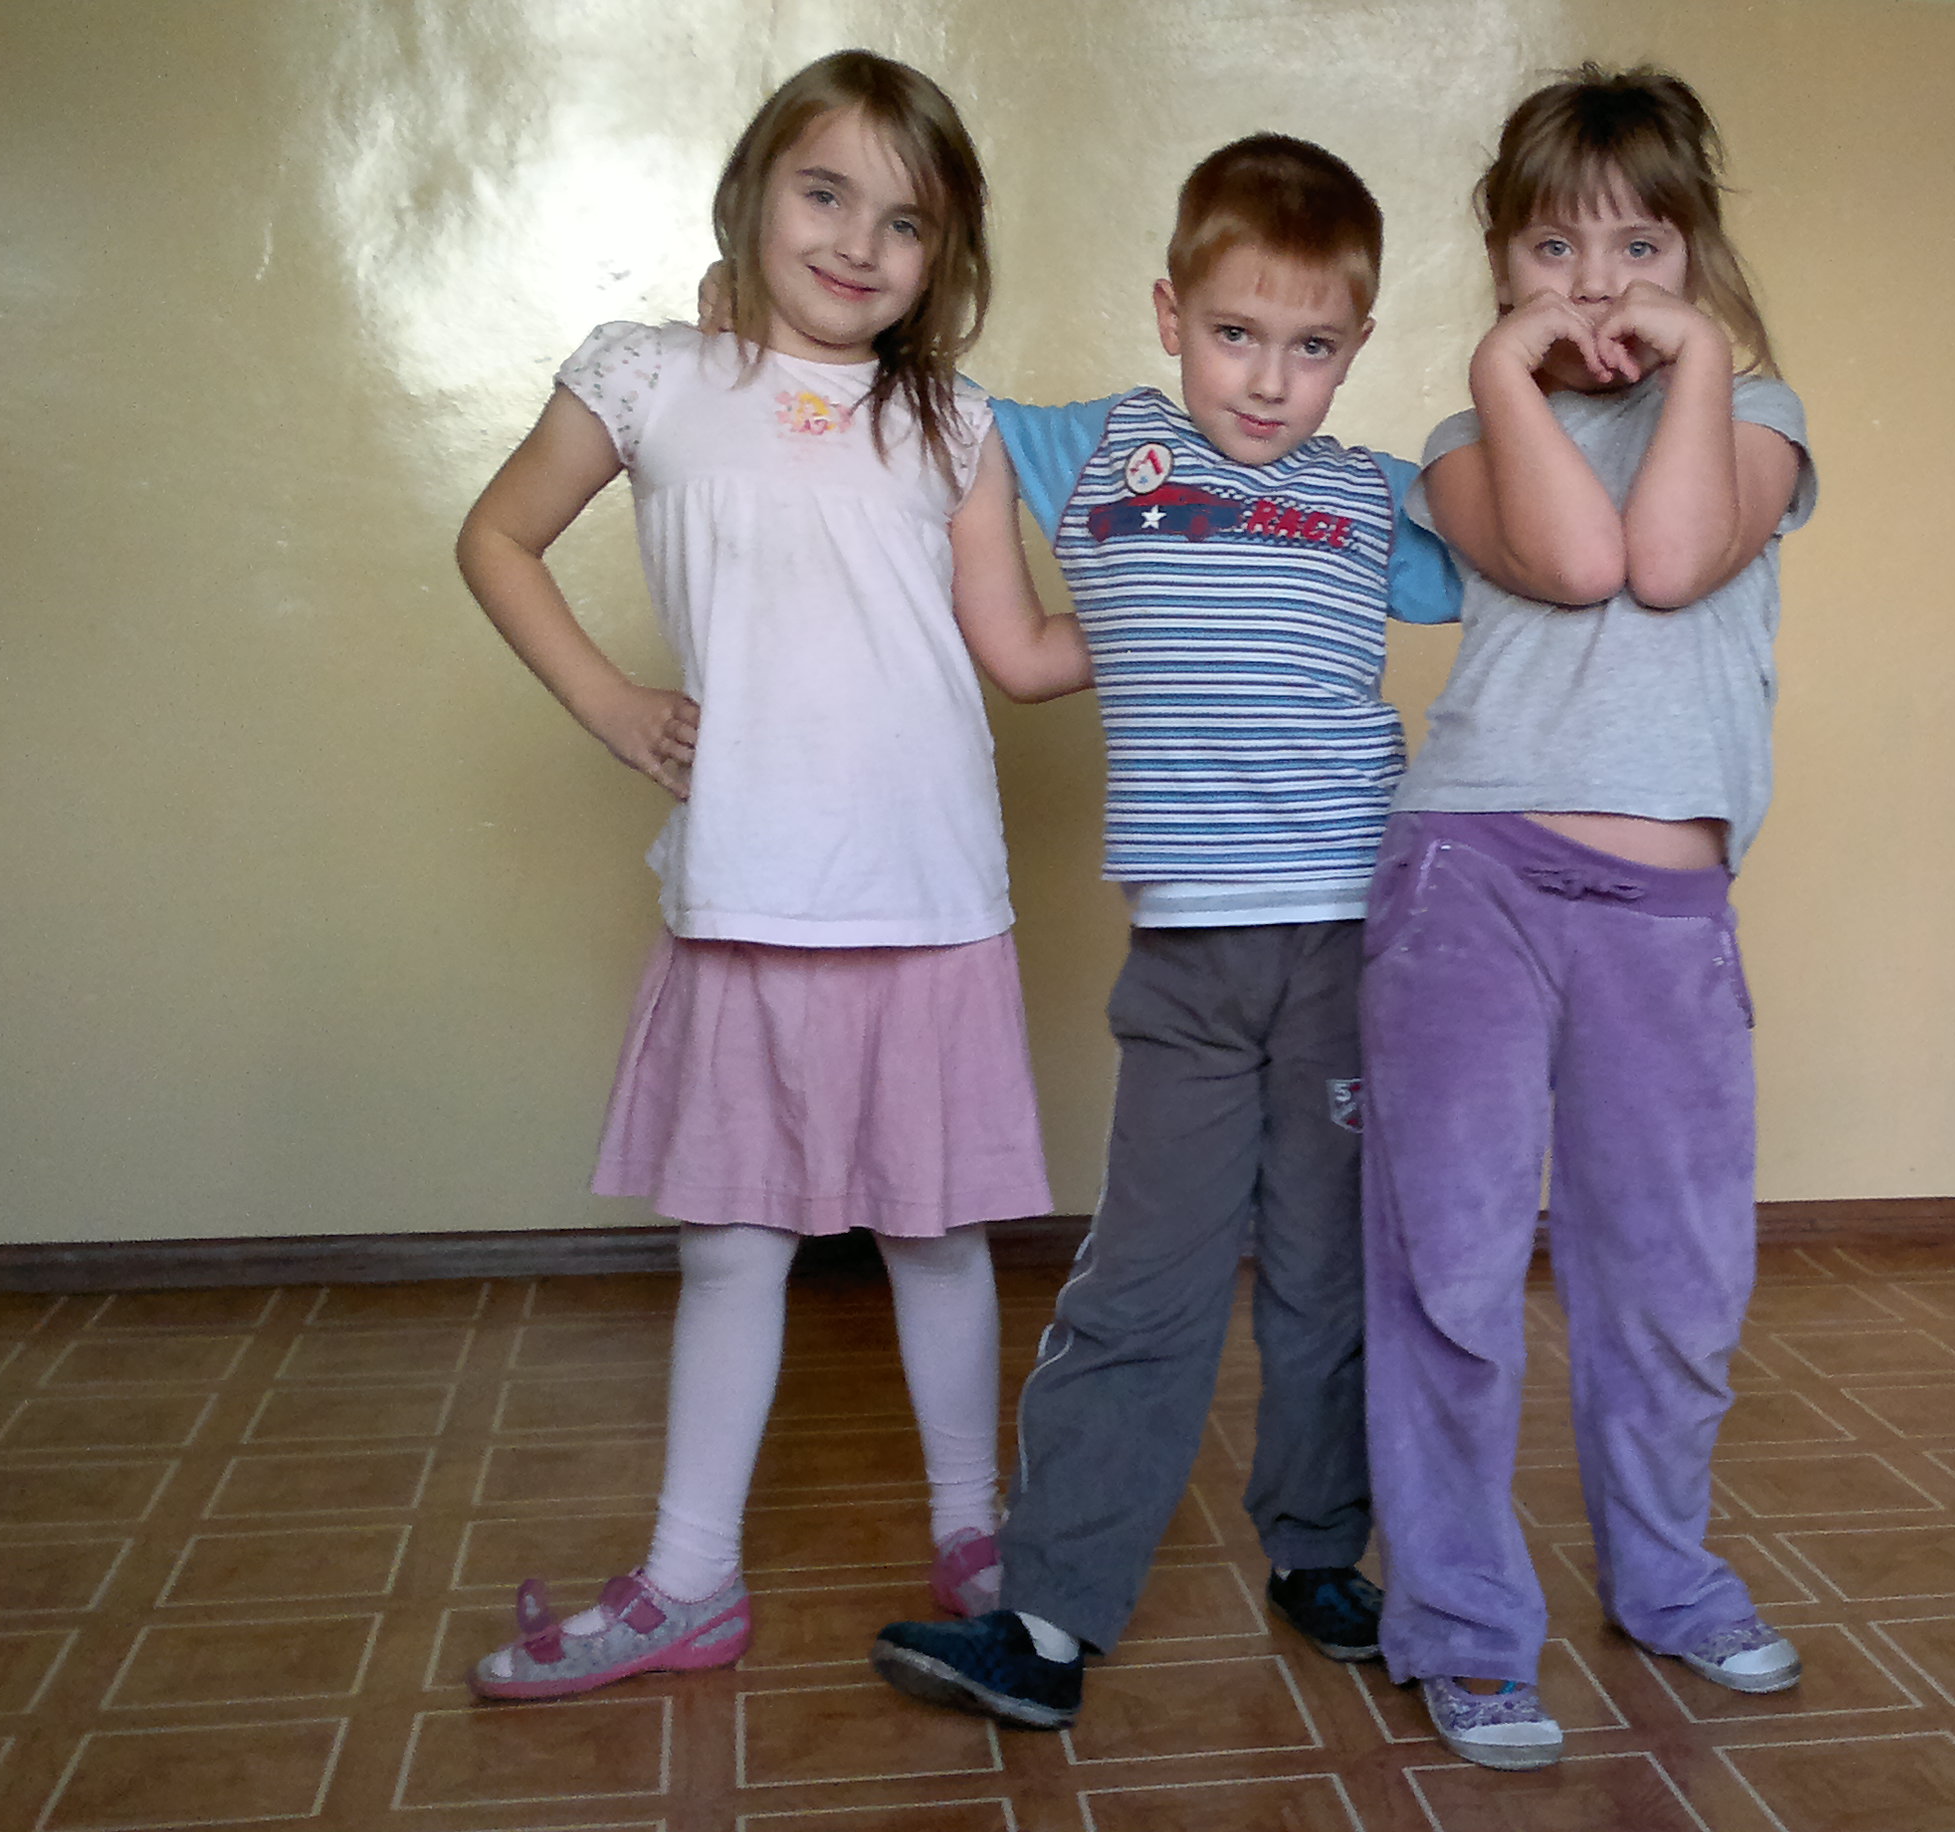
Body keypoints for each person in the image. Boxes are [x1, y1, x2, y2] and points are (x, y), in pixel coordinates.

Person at [454, 50, 1089, 1701]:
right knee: (731, 1246)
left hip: (930, 894)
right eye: (826, 194)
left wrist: (1183, 606)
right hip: (747, 889)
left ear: (943, 257)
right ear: (751, 193)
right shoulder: (651, 374)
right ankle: (689, 1582)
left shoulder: (952, 423)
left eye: (906, 221)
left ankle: (975, 1533)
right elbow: (496, 537)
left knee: (936, 1236)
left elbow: (1020, 654)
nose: (860, 242)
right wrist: (613, 705)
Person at [864, 133, 1458, 1731]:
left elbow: (1548, 542)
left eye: (1314, 346)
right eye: (1235, 333)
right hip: (1189, 961)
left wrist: (1551, 351)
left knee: (1330, 1271)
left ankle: (1321, 1548)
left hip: (1351, 946)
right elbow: (916, 406)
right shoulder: (1096, 450)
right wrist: (744, 331)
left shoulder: (1373, 497)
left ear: (1359, 347)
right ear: (1169, 313)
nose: (1268, 380)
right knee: (1144, 1280)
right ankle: (1049, 1614)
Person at [1359, 64, 1818, 1769]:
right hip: (1469, 879)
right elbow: (1579, 561)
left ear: (1698, 255)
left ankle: (1669, 1579)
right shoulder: (1469, 440)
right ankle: (1463, 1624)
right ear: (1501, 261)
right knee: (1452, 1271)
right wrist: (1503, 369)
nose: (1599, 281)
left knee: (1673, 1276)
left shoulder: (1756, 415)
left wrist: (1697, 361)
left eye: (1640, 244)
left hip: (1663, 909)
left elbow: (1676, 556)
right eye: (1554, 247)